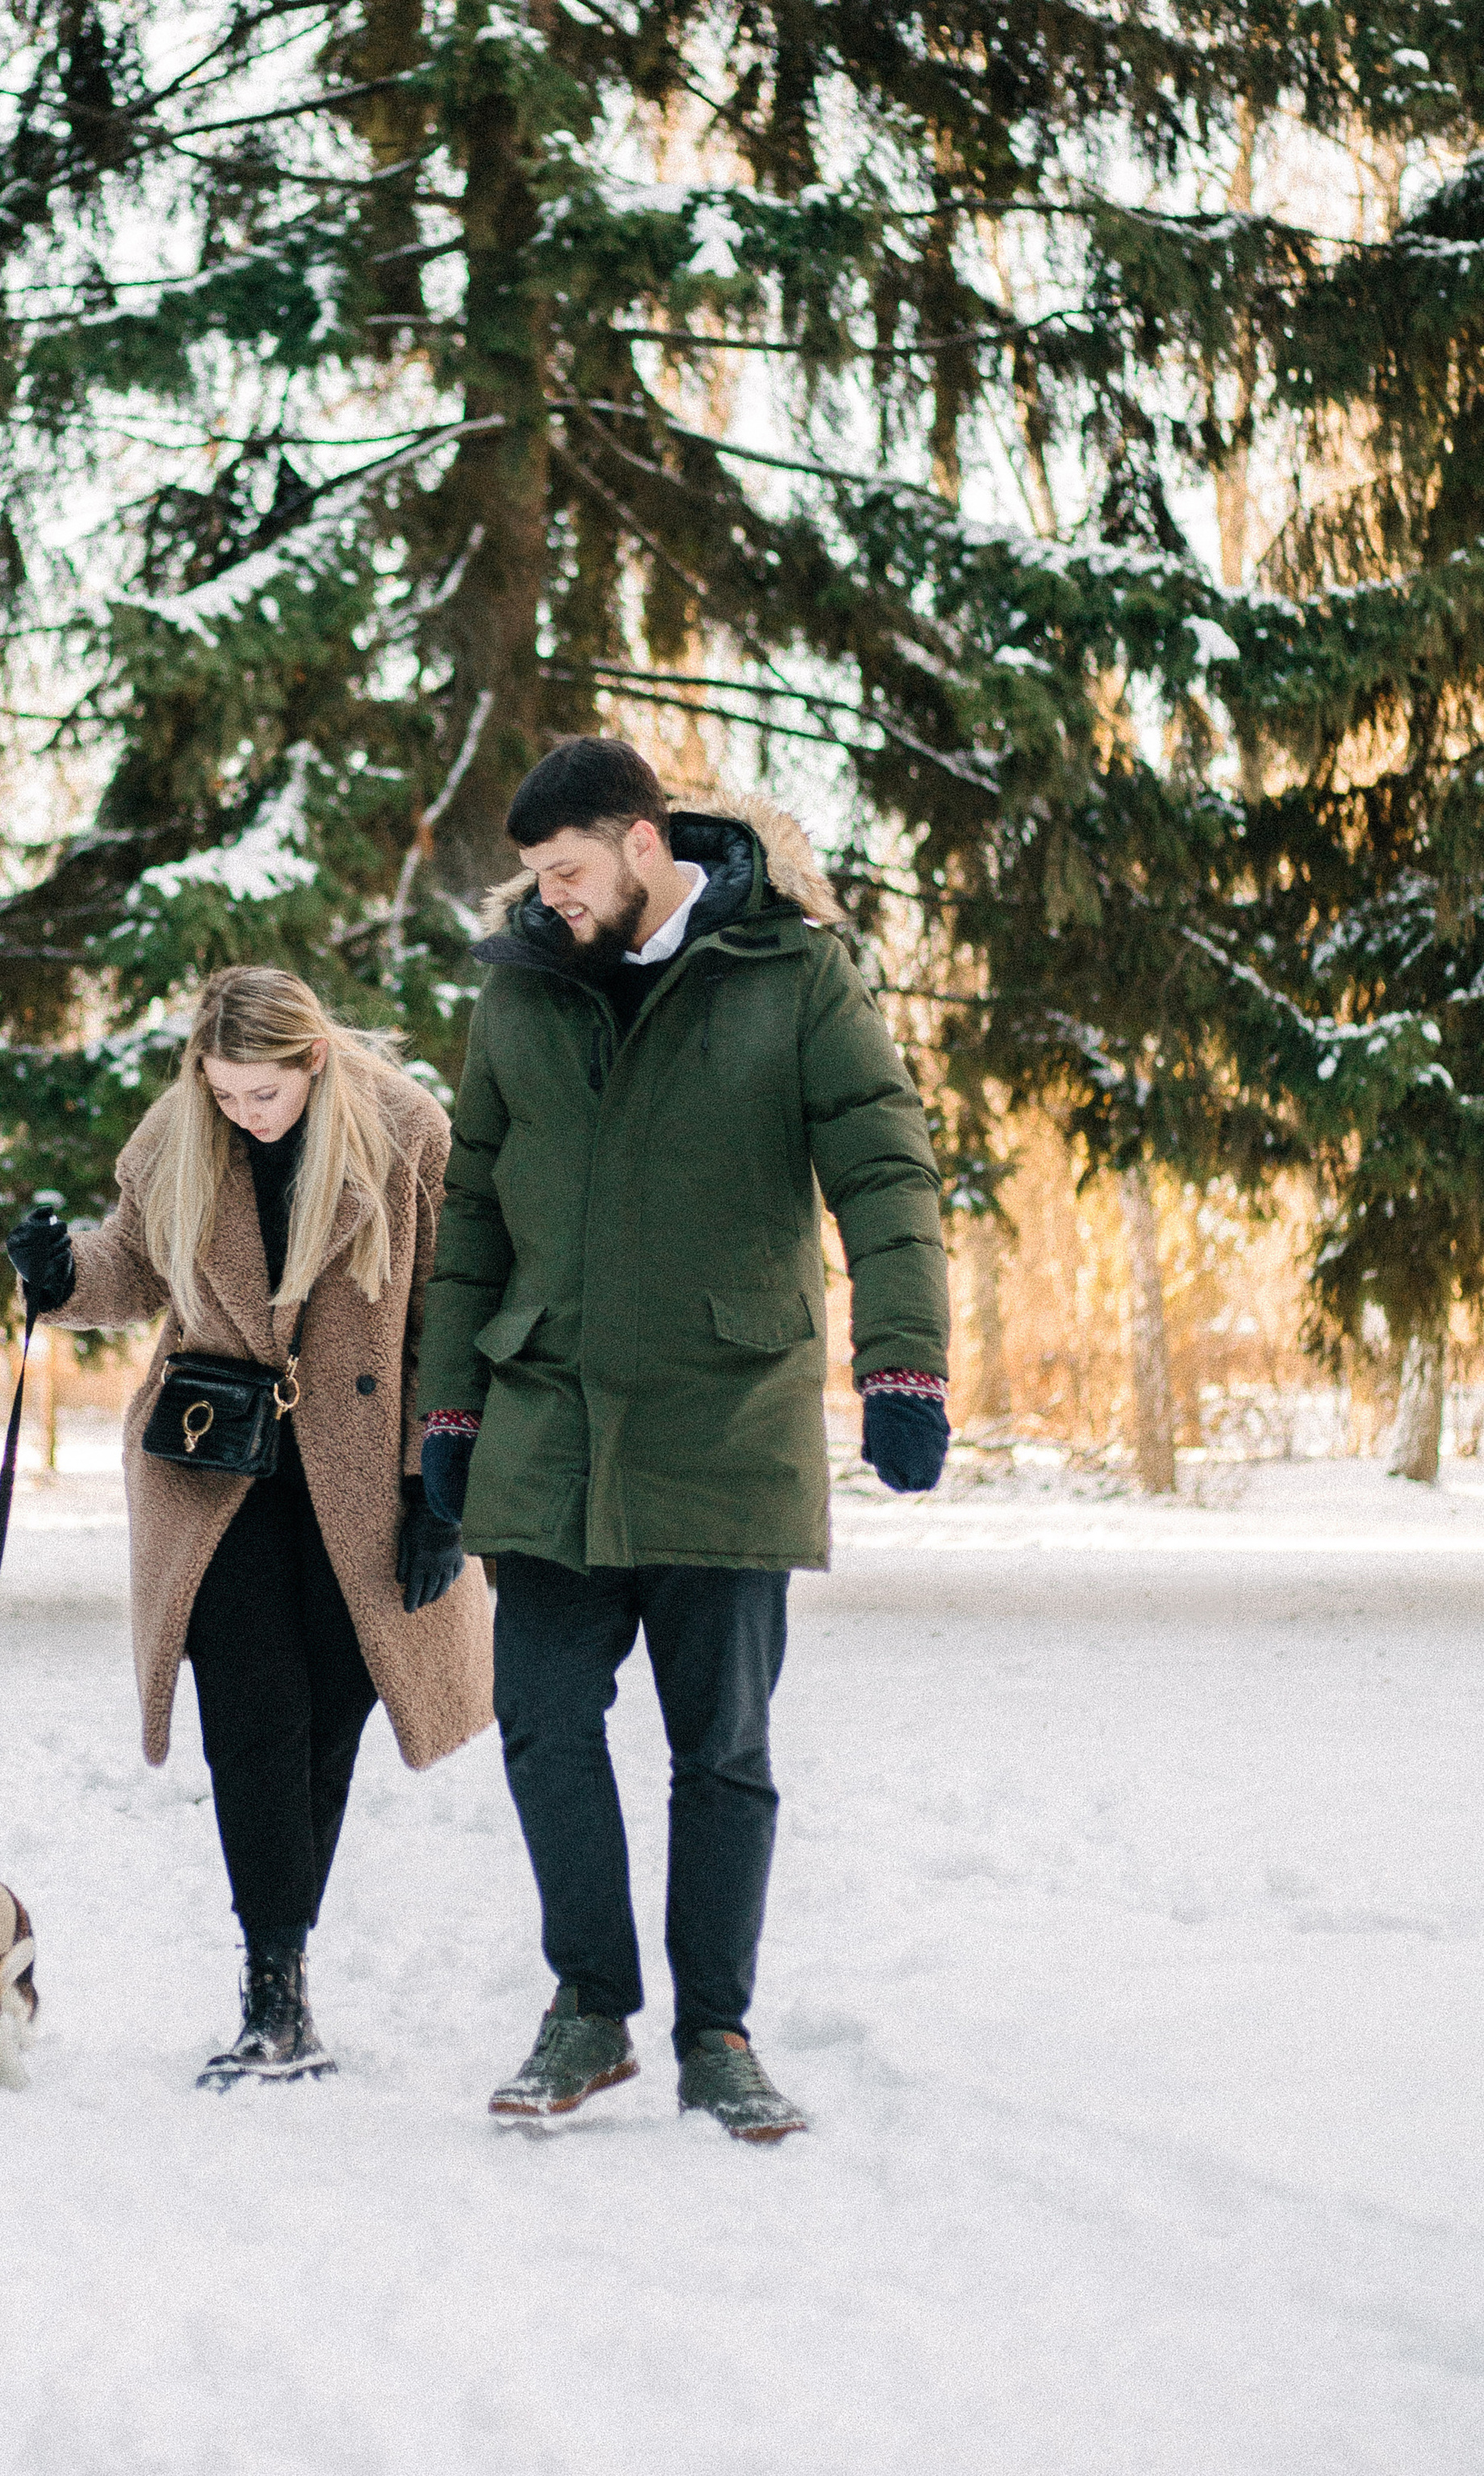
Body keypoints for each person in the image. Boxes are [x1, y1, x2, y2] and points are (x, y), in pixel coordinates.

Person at [415, 738, 951, 2143]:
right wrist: (447, 1408)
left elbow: (886, 1164)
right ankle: (591, 2008)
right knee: (539, 1718)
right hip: (548, 1417)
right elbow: (471, 1209)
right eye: (537, 877)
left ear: (645, 843)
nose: (552, 899)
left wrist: (904, 1360)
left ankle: (717, 2030)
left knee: (719, 1747)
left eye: (571, 870)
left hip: (725, 1416)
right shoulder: (525, 993)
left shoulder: (792, 972)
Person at [6, 966, 494, 2088]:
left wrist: (440, 1489)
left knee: (329, 1716)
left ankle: (289, 1966)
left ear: (313, 1061)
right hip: (216, 1467)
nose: (239, 1114)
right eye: (222, 1092)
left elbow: (444, 1316)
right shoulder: (183, 1134)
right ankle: (272, 1993)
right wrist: (61, 1269)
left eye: (259, 1097)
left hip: (365, 1474)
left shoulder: (407, 1134)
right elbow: (133, 1259)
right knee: (252, 1718)